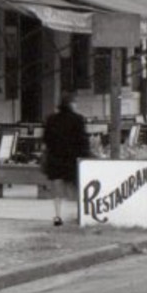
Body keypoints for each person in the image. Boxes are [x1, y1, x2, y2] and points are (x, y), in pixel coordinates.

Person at [40, 93, 91, 227]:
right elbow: (83, 141)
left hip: (55, 159)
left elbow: (45, 139)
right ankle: (79, 214)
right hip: (72, 160)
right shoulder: (78, 119)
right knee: (75, 188)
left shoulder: (51, 119)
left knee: (57, 189)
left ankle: (57, 216)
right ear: (72, 104)